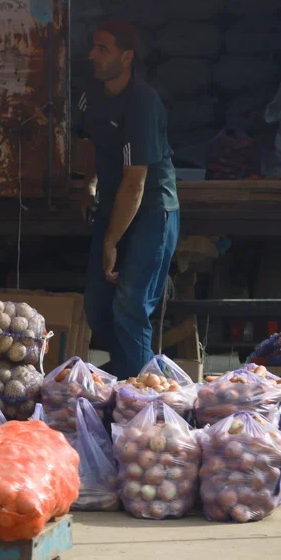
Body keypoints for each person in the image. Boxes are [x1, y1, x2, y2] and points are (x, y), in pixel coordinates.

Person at [73, 20, 180, 380]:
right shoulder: (91, 93)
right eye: (94, 46)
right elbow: (89, 141)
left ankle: (143, 404)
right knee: (98, 306)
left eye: (102, 48)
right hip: (113, 205)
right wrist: (89, 182)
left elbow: (135, 184)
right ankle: (126, 382)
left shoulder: (142, 103)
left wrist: (111, 241)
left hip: (150, 212)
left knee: (130, 305)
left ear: (127, 56)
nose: (92, 55)